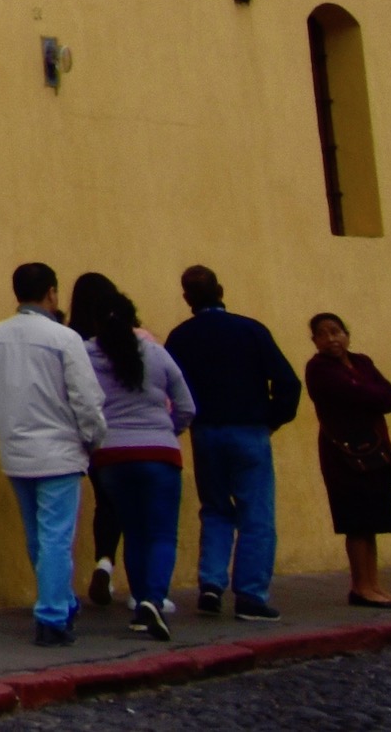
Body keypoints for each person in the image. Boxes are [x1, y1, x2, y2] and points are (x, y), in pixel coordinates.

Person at [0, 261, 108, 646]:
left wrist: (7, 430)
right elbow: (85, 399)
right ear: (51, 292)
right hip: (59, 451)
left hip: (16, 451)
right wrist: (93, 437)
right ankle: (52, 613)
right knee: (56, 535)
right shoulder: (64, 338)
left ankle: (61, 601)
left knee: (37, 535)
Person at [165, 265, 297, 624]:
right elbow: (287, 382)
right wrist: (272, 419)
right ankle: (251, 595)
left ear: (187, 298)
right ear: (221, 290)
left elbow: (170, 388)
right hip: (249, 427)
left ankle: (211, 583)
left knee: (216, 508)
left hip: (205, 431)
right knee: (256, 513)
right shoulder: (250, 330)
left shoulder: (181, 337)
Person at [73, 272, 194, 641]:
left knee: (135, 530)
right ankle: (152, 600)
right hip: (159, 453)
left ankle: (142, 598)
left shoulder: (85, 355)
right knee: (160, 532)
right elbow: (187, 407)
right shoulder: (155, 353)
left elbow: (78, 401)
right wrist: (166, 431)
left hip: (110, 456)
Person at [304, 314, 391, 609]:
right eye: (323, 334)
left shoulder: (362, 362)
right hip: (345, 455)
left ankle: (373, 583)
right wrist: (368, 392)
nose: (331, 338)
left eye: (336, 332)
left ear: (347, 334)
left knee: (374, 521)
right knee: (356, 520)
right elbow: (356, 394)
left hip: (376, 451)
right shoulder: (319, 369)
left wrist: (367, 391)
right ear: (315, 341)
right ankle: (360, 586)